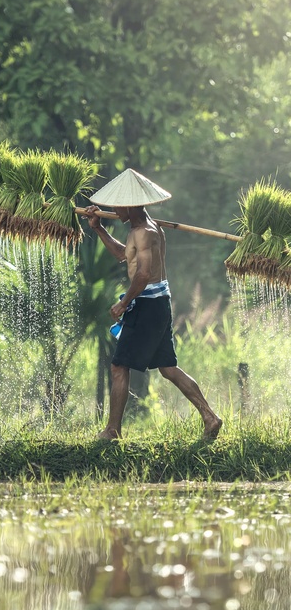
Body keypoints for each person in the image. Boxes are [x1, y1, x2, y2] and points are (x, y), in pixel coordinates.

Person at [85, 169, 222, 442]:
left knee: (118, 365)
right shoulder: (144, 229)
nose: (113, 208)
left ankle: (112, 430)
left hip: (147, 305)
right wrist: (98, 227)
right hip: (158, 303)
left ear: (129, 204)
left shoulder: (145, 232)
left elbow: (144, 275)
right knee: (168, 368)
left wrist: (124, 303)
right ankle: (210, 416)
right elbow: (124, 256)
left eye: (117, 203)